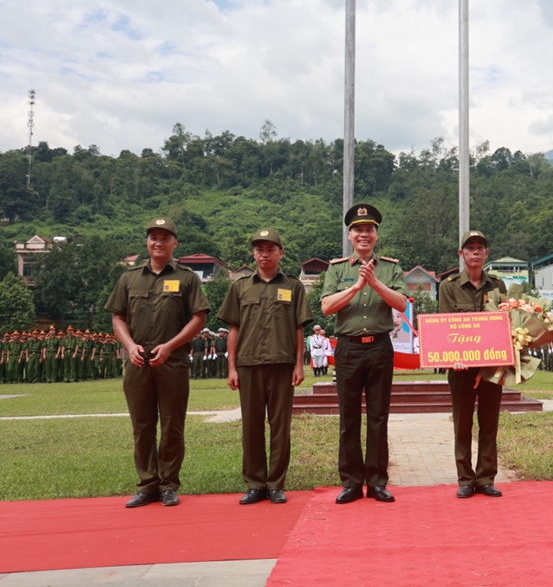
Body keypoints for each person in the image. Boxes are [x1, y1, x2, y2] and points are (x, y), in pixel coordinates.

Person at [104, 217, 209, 508]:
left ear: (175, 243)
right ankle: (148, 485)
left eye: (165, 237)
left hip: (172, 361)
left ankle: (169, 485)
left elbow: (198, 319)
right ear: (147, 242)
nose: (158, 242)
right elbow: (118, 318)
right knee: (142, 425)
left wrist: (171, 345)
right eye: (153, 237)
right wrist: (129, 345)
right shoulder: (129, 278)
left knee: (173, 425)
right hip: (137, 363)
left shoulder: (188, 278)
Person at [321, 204, 409, 504]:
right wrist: (357, 285)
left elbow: (400, 303)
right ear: (350, 235)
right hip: (347, 348)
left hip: (380, 347)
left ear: (376, 234)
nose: (363, 234)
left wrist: (375, 282)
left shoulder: (390, 267)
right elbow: (326, 307)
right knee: (348, 418)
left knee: (378, 417)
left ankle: (376, 481)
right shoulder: (336, 269)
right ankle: (351, 481)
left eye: (369, 229)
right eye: (358, 229)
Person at [219, 228, 313, 505]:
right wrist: (232, 368)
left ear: (280, 253)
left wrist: (299, 365)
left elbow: (299, 329)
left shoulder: (293, 286)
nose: (264, 253)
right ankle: (255, 484)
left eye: (270, 248)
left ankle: (275, 484)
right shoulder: (239, 286)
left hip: (282, 365)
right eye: (259, 249)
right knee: (251, 426)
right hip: (248, 365)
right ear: (254, 253)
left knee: (280, 426)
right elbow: (233, 330)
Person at [438, 230, 508, 499]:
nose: (475, 252)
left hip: (492, 366)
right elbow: (445, 326)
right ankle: (465, 478)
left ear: (486, 254)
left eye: (481, 247)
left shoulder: (498, 287)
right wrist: (452, 357)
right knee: (463, 423)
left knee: (489, 423)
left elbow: (506, 323)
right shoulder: (448, 286)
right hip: (461, 368)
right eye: (470, 248)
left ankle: (486, 477)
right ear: (461, 254)